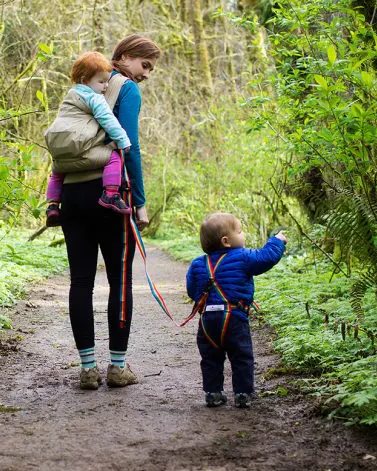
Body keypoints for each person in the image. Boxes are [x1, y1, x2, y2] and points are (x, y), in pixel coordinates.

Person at [59, 35, 161, 390]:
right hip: (110, 196)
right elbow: (129, 146)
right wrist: (141, 202)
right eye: (145, 65)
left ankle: (88, 369)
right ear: (126, 57)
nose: (146, 74)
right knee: (119, 282)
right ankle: (117, 368)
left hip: (72, 193)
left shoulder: (80, 89)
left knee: (81, 282)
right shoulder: (127, 90)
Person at [186, 213, 288, 408]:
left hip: (207, 320)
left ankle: (213, 393)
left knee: (210, 358)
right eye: (240, 231)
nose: (243, 234)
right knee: (241, 355)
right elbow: (265, 258)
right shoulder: (242, 257)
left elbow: (192, 290)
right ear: (226, 241)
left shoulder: (198, 264)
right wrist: (277, 241)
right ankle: (242, 393)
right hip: (234, 317)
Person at [44, 52, 132, 227]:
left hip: (60, 149)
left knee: (56, 172)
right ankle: (111, 194)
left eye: (107, 81)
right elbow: (108, 120)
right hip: (81, 147)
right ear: (85, 80)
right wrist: (123, 142)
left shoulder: (71, 94)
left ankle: (52, 205)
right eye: (101, 81)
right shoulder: (94, 98)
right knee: (113, 157)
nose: (106, 86)